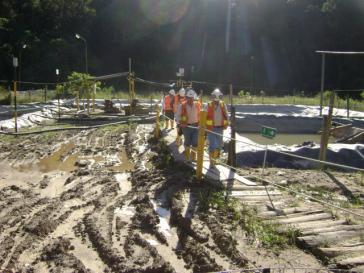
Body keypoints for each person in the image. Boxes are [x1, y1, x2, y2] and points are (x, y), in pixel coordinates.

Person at [205, 88, 229, 167]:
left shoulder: (222, 104)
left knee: (218, 146)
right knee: (213, 145)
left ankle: (214, 160)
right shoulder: (208, 105)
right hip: (211, 128)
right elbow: (203, 116)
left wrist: (228, 122)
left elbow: (226, 114)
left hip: (220, 128)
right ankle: (212, 163)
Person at [176, 89, 201, 161]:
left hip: (196, 126)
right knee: (187, 141)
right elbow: (177, 116)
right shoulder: (182, 105)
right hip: (186, 127)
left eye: (192, 98)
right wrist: (180, 122)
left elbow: (201, 114)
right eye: (189, 98)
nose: (191, 99)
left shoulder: (197, 104)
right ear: (186, 97)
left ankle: (193, 158)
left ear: (194, 98)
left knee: (195, 142)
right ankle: (187, 158)